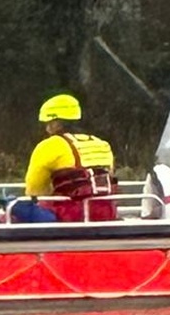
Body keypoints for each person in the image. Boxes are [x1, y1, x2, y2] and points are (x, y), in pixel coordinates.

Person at [18, 94, 118, 223]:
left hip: (68, 215)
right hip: (107, 214)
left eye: (48, 123)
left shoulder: (49, 146)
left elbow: (34, 190)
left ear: (56, 123)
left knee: (11, 215)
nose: (47, 127)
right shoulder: (102, 144)